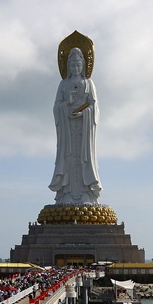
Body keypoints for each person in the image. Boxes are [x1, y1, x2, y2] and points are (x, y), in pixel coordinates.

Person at [49, 45, 102, 205]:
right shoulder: (63, 85)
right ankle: (66, 194)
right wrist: (67, 104)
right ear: (67, 66)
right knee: (68, 157)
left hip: (84, 130)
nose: (75, 67)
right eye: (72, 65)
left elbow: (95, 107)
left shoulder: (88, 83)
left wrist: (84, 113)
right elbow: (56, 107)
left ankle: (86, 194)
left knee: (83, 158)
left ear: (84, 65)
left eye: (78, 64)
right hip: (68, 130)